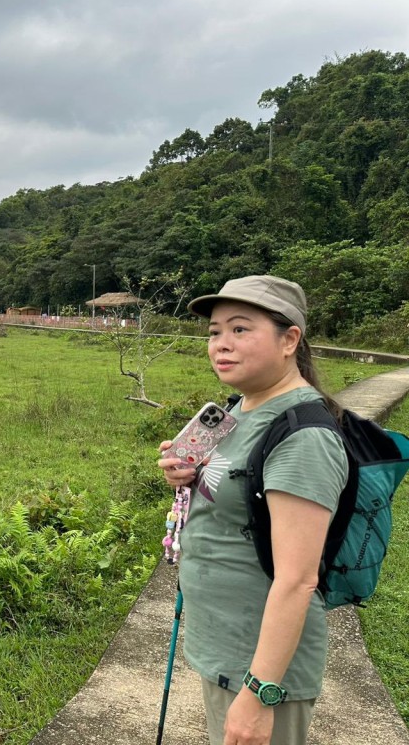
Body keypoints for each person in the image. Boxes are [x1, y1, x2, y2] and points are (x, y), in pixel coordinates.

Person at [157, 275, 348, 745]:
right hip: (223, 646)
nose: (222, 344)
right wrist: (188, 476)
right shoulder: (239, 410)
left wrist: (260, 693)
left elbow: (298, 579)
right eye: (215, 332)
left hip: (258, 668)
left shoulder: (304, 439)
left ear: (290, 340)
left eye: (240, 330)